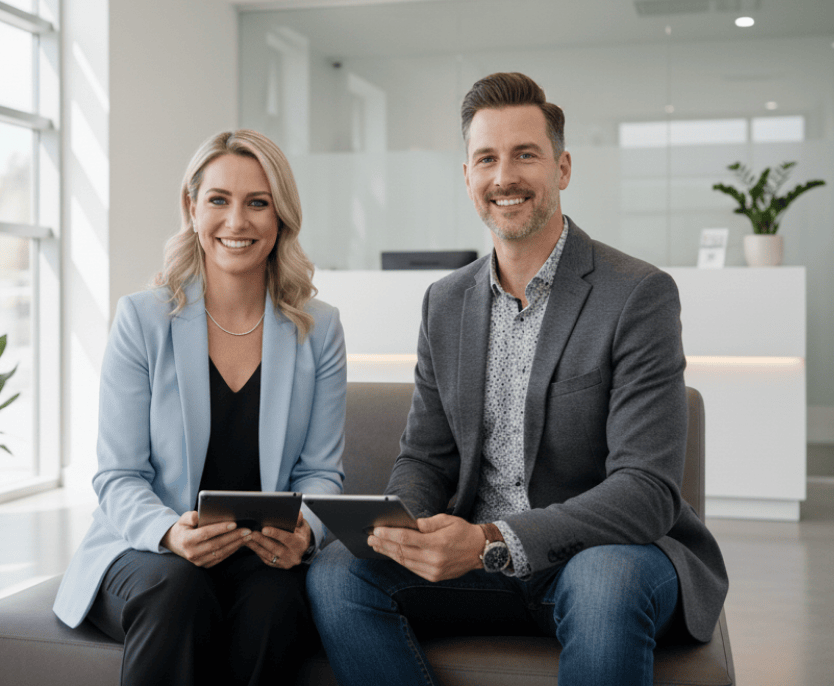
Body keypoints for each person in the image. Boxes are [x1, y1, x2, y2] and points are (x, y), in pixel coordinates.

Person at [307, 72, 728, 686]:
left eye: (524, 155)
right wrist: (407, 529)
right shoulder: (444, 303)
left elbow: (645, 490)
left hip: (602, 556)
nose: (504, 176)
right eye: (487, 158)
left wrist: (487, 539)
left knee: (604, 582)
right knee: (336, 574)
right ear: (468, 177)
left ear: (561, 168)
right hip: (479, 568)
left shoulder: (637, 294)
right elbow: (425, 458)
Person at [53, 129, 347, 686]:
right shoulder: (141, 320)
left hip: (258, 556)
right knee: (178, 591)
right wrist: (170, 533)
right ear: (191, 208)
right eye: (219, 200)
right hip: (147, 550)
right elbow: (119, 475)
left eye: (257, 203)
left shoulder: (320, 329)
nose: (237, 222)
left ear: (280, 217)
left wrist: (304, 532)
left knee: (278, 608)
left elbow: (321, 474)